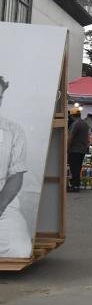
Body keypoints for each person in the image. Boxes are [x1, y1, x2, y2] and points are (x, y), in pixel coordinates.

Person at [0, 75, 31, 258]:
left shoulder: (13, 131)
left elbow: (16, 175)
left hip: (2, 204)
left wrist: (1, 205)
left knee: (19, 250)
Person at [67, 113, 92, 191]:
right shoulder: (85, 124)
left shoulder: (76, 124)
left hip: (75, 149)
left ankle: (74, 186)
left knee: (74, 168)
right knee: (78, 168)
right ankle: (76, 185)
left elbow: (70, 137)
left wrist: (67, 148)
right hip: (82, 150)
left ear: (72, 116)